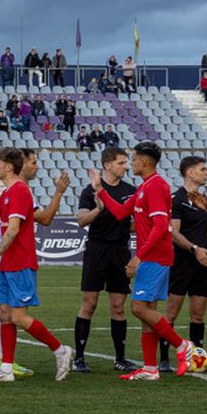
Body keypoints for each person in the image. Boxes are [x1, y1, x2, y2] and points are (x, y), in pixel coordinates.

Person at [86, 142, 197, 380]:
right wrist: (99, 189)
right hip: (153, 257)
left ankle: (182, 346)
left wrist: (138, 256)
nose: (130, 163)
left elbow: (160, 227)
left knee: (138, 308)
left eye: (133, 159)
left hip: (155, 257)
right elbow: (119, 212)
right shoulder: (145, 187)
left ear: (145, 162)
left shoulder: (156, 186)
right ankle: (149, 368)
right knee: (147, 313)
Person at [0, 148, 72, 382]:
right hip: (8, 264)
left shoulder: (19, 192)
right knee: (5, 314)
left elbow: (14, 229)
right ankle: (6, 370)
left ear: (8, 167)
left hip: (20, 262)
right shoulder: (8, 193)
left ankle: (60, 350)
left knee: (18, 317)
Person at [73, 147, 137, 373]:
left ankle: (120, 359)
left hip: (120, 250)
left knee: (118, 307)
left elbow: (133, 222)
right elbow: (81, 220)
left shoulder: (131, 191)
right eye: (121, 163)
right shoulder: (90, 191)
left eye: (126, 162)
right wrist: (99, 210)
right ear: (107, 165)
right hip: (97, 249)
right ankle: (79, 358)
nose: (126, 166)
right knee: (89, 304)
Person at [161, 156, 207, 372]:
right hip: (181, 263)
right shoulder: (176, 199)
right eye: (202, 169)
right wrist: (194, 249)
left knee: (198, 314)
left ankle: (198, 359)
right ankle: (164, 360)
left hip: (202, 264)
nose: (206, 172)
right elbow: (173, 233)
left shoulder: (202, 200)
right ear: (190, 173)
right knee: (171, 313)